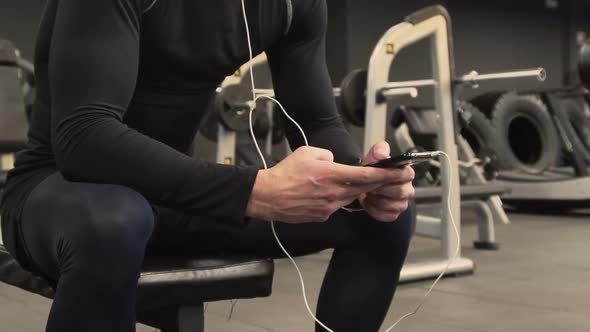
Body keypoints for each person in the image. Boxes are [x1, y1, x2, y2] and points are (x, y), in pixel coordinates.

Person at [0, 0, 416, 331]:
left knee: (380, 216)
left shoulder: (293, 4)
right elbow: (84, 137)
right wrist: (252, 190)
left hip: (172, 202)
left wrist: (359, 180)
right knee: (116, 220)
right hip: (61, 191)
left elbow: (318, 124)